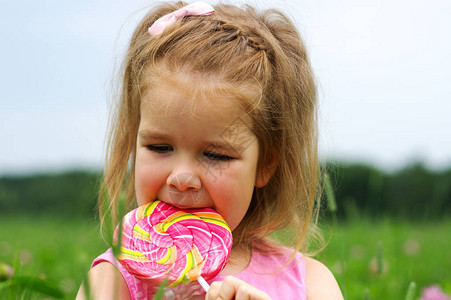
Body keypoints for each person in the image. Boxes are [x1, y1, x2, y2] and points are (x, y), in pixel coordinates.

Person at [77, 1, 343, 299]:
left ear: (265, 164)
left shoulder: (311, 282)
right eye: (160, 147)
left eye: (216, 155)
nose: (182, 177)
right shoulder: (113, 280)